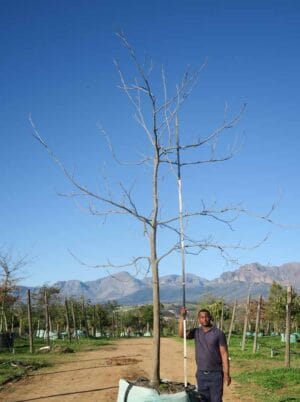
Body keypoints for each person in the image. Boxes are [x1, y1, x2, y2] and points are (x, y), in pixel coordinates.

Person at [178, 307, 231, 402]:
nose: (204, 319)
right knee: (203, 400)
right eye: (202, 317)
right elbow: (181, 334)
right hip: (201, 374)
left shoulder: (218, 333)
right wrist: (182, 317)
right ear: (199, 319)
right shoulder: (196, 332)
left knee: (216, 400)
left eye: (206, 317)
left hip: (216, 374)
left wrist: (226, 373)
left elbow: (224, 354)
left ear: (210, 318)